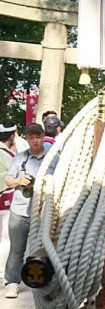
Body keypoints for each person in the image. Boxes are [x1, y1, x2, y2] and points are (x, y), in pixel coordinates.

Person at [4, 123, 57, 299]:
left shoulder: (54, 158)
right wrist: (20, 180)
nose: (35, 140)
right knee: (17, 249)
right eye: (31, 137)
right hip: (20, 210)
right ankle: (12, 282)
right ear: (26, 139)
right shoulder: (20, 158)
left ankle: (45, 281)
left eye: (38, 137)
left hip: (44, 211)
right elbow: (8, 182)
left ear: (43, 137)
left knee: (44, 248)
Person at [0, 123, 17, 281]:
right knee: (6, 237)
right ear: (12, 135)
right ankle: (1, 270)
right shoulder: (6, 155)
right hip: (4, 200)